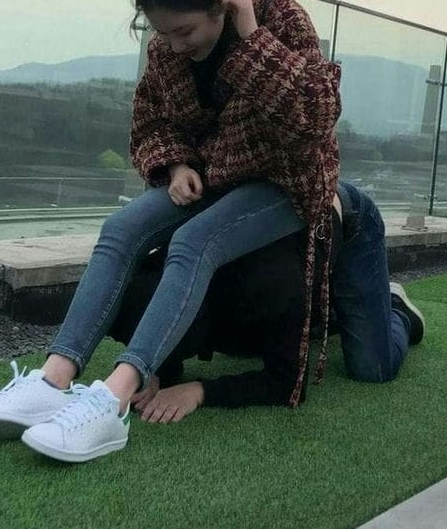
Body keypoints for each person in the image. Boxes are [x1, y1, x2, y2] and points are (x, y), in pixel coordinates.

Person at [0, 0, 341, 462]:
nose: (175, 45)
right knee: (120, 230)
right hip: (211, 178)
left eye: (185, 31)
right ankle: (52, 380)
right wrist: (175, 165)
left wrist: (252, 38)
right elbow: (151, 122)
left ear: (220, 4)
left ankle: (112, 399)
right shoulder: (165, 50)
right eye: (163, 33)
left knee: (194, 241)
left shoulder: (280, 18)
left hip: (285, 183)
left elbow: (317, 117)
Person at [111, 181, 425, 423]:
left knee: (372, 368)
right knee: (265, 335)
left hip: (347, 223)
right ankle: (328, 316)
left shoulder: (270, 280)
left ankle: (395, 308)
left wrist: (199, 391)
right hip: (287, 255)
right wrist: (151, 371)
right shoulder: (165, 267)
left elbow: (288, 383)